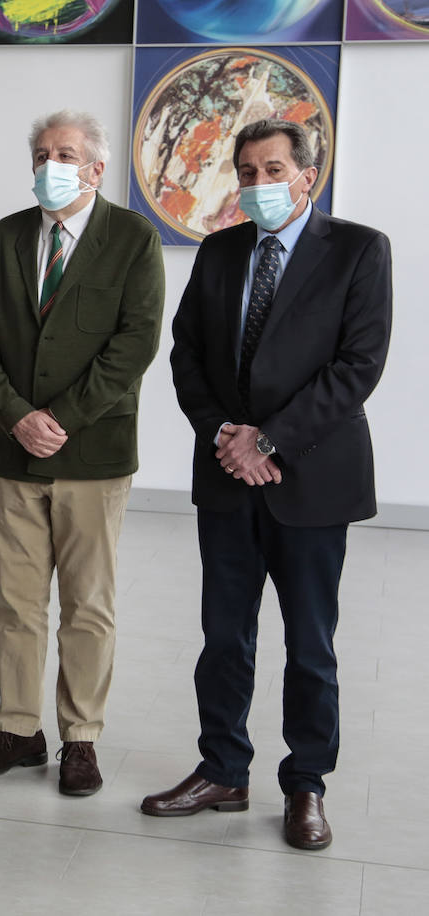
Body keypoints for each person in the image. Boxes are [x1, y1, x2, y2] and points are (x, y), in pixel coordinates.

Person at [142, 119, 392, 851]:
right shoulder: (219, 252)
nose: (258, 184)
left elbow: (358, 365)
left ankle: (306, 784)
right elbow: (186, 354)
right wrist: (226, 435)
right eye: (246, 172)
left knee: (311, 642)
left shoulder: (358, 250)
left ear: (306, 175)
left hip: (312, 477)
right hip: (227, 476)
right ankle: (222, 768)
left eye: (272, 169)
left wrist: (270, 438)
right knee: (224, 637)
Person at [0, 110, 165, 796]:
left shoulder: (132, 238)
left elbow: (134, 345)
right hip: (14, 457)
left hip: (94, 456)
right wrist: (18, 418)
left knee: (87, 604)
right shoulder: (6, 237)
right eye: (42, 153)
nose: (52, 164)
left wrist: (60, 419)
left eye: (66, 153)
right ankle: (19, 729)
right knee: (16, 603)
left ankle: (82, 738)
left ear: (97, 168)